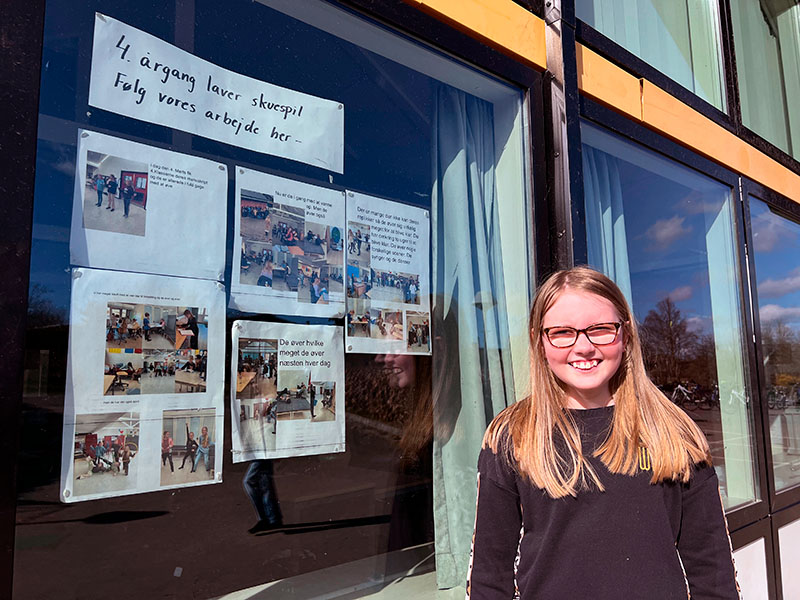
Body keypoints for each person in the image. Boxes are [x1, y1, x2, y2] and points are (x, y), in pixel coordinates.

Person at [467, 266, 739, 599]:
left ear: (625, 336)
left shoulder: (672, 430)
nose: (583, 347)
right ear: (540, 342)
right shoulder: (513, 435)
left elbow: (712, 567)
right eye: (562, 332)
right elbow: (488, 574)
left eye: (600, 329)